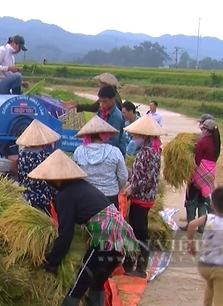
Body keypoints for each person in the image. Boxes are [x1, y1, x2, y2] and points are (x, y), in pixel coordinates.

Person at [32, 150, 139, 306]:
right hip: (122, 237)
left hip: (106, 238)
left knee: (78, 286)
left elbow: (65, 234)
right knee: (96, 282)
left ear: (55, 179)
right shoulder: (82, 187)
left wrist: (52, 263)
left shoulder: (65, 196)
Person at [121, 114, 163, 278]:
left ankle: (141, 267)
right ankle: (134, 263)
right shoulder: (148, 151)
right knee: (136, 230)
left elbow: (147, 178)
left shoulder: (149, 154)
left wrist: (133, 187)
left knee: (139, 231)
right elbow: (140, 174)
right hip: (142, 195)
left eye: (135, 135)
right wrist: (130, 181)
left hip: (143, 197)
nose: (133, 138)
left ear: (144, 137)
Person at [72, 115, 128, 209]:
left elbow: (74, 174)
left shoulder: (79, 151)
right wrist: (116, 188)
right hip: (110, 197)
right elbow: (123, 176)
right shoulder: (115, 152)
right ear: (105, 134)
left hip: (86, 196)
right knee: (109, 222)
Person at [180, 118, 222, 233]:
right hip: (209, 175)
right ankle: (202, 227)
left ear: (207, 130)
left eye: (203, 128)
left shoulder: (202, 143)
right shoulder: (216, 143)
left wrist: (194, 176)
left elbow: (196, 161)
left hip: (198, 174)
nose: (201, 130)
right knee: (202, 200)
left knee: (191, 199)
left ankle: (190, 225)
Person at [15, 119, 61, 215]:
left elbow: (20, 177)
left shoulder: (22, 155)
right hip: (42, 199)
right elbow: (51, 180)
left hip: (26, 197)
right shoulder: (46, 156)